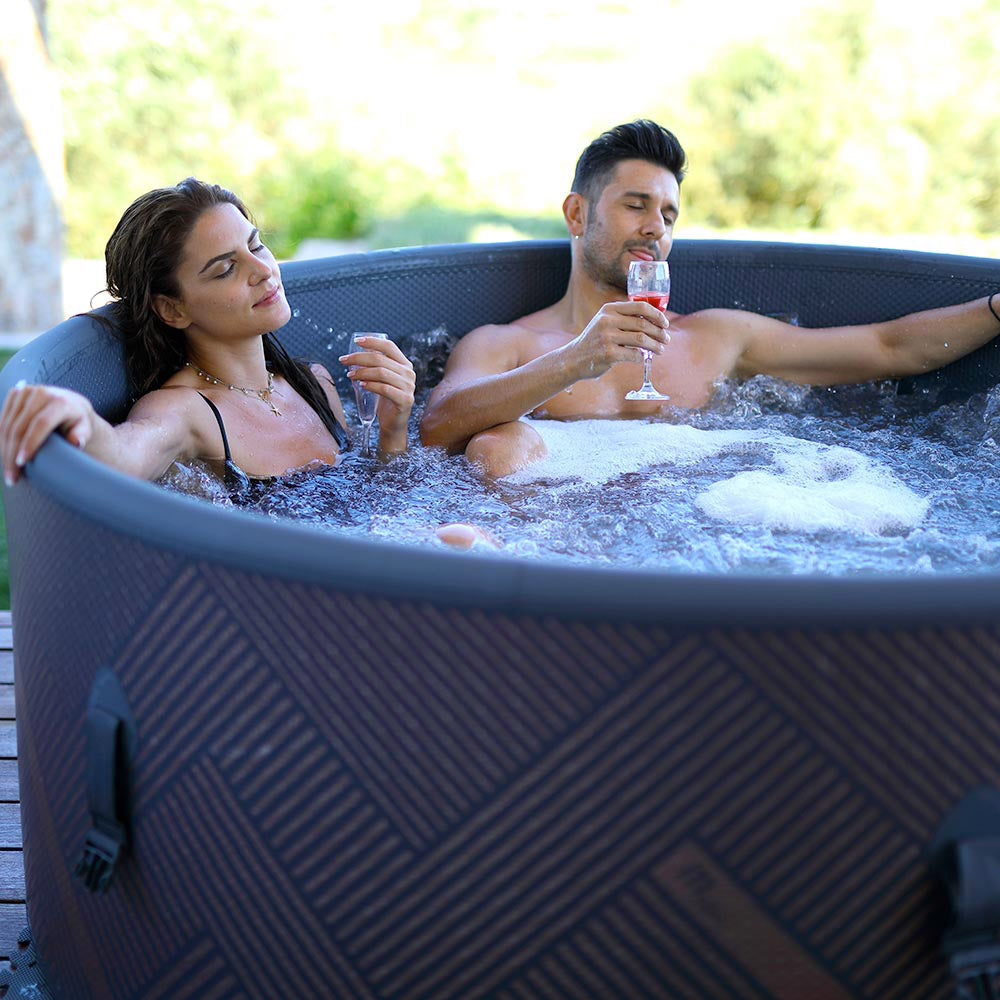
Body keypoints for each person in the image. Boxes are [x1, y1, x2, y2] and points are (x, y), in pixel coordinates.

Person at [419, 120, 1000, 477]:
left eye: (669, 215)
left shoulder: (717, 338)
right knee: (498, 445)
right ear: (577, 214)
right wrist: (574, 360)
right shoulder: (508, 345)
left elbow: (888, 348)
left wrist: (996, 308)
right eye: (636, 205)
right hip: (552, 544)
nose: (655, 226)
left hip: (701, 527)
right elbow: (437, 428)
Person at [0, 178, 416, 493]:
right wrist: (80, 416)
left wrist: (393, 429)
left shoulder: (315, 382)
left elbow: (377, 503)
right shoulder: (186, 410)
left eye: (257, 246)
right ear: (173, 309)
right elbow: (125, 456)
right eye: (226, 269)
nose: (263, 270)